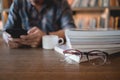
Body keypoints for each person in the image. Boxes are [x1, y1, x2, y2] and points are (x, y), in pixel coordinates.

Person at [3, 0, 75, 48]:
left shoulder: (61, 3)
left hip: (53, 54)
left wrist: (45, 36)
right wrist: (7, 38)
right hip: (22, 56)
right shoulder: (18, 3)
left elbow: (71, 31)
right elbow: (6, 31)